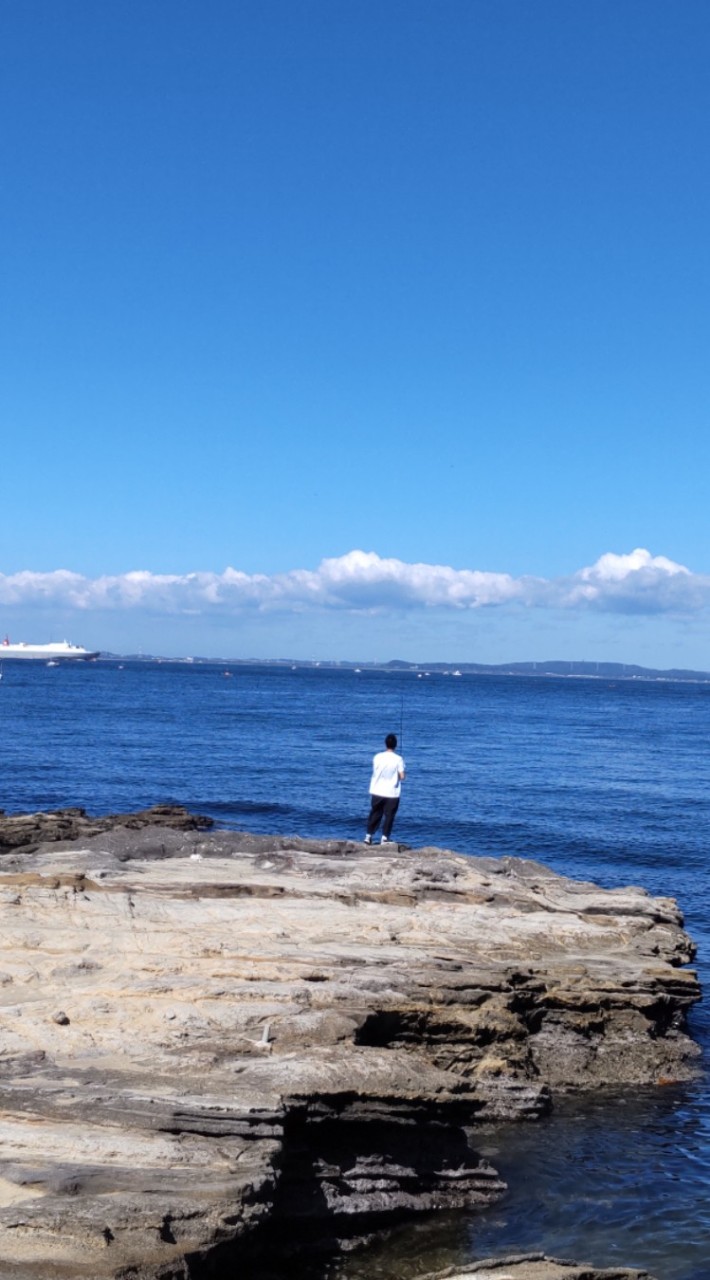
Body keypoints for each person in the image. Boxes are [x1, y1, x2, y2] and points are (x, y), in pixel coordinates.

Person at [364, 733, 406, 845]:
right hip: (392, 793)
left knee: (375, 813)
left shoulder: (377, 757)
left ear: (385, 744)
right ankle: (385, 838)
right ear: (395, 745)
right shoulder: (398, 759)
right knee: (389, 816)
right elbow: (402, 777)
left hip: (377, 790)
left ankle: (368, 836)